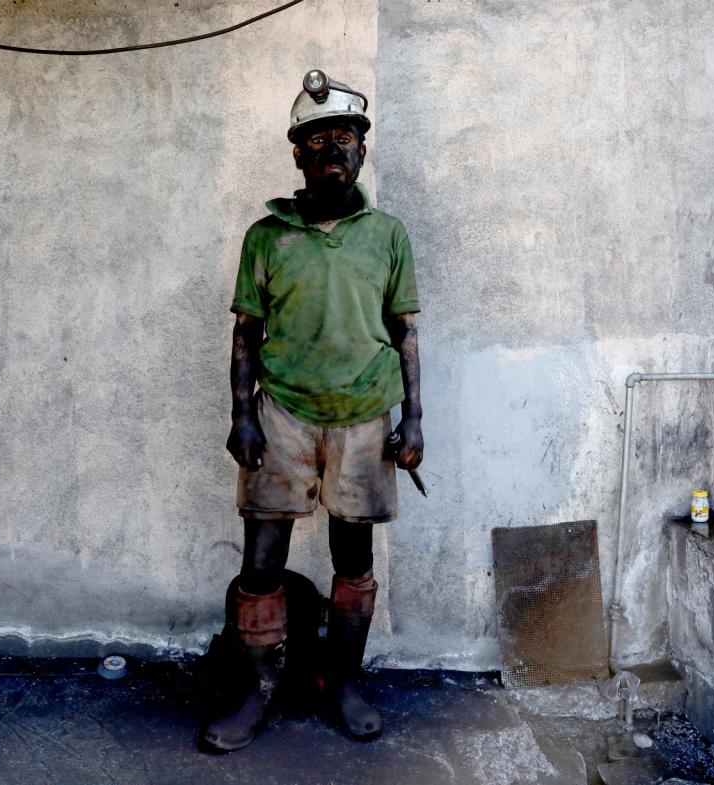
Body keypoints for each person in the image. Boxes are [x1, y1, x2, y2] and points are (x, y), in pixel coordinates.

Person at [202, 70, 423, 752]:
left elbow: (405, 329)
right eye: (318, 137)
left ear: (364, 151)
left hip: (364, 419)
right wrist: (242, 416)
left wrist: (413, 419)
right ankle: (256, 693)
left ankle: (345, 682)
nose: (334, 147)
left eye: (347, 136)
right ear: (296, 153)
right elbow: (246, 333)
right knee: (262, 559)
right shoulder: (266, 237)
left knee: (352, 555)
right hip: (283, 418)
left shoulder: (387, 234)